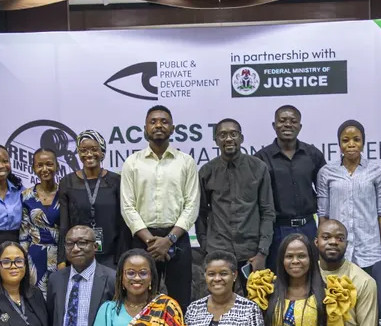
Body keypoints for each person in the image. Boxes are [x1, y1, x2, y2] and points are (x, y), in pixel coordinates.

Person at [120, 106, 200, 310]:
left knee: (180, 301)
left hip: (177, 239)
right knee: (140, 300)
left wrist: (169, 240)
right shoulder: (132, 162)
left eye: (164, 121)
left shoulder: (186, 162)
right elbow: (127, 206)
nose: (158, 125)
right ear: (145, 128)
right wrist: (151, 242)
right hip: (143, 240)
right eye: (153, 121)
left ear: (173, 128)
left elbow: (192, 205)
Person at [196, 118, 275, 283]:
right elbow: (200, 212)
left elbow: (267, 212)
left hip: (252, 252)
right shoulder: (207, 171)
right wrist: (205, 245)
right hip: (218, 251)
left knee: (257, 297)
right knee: (219, 297)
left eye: (233, 134)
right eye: (222, 135)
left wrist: (262, 252)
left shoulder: (258, 168)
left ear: (241, 138)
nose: (228, 139)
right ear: (216, 141)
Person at [256, 105, 327, 262]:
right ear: (274, 125)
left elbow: (325, 193)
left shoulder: (313, 154)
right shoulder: (261, 158)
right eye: (282, 120)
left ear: (300, 126)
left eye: (293, 121)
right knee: (278, 272)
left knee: (312, 270)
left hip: (309, 227)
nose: (288, 124)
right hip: (277, 229)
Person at [317, 120, 381, 270]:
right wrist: (322, 253)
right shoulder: (326, 172)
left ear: (363, 143)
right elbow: (323, 215)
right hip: (337, 251)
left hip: (370, 251)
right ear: (339, 144)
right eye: (345, 140)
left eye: (356, 140)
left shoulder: (377, 171)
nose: (351, 144)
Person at [57, 129, 128, 268]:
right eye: (83, 150)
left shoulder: (116, 181)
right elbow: (64, 224)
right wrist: (62, 260)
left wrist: (123, 258)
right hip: (78, 255)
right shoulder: (67, 182)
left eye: (94, 149)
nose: (89, 154)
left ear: (102, 152)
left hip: (111, 257)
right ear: (78, 153)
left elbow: (123, 224)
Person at [20, 147, 61, 293]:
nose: (45, 169)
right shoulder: (26, 195)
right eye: (39, 165)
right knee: (36, 296)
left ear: (57, 166)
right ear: (33, 168)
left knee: (59, 296)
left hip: (61, 256)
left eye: (49, 164)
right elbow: (24, 234)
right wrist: (23, 261)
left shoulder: (65, 192)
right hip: (35, 257)